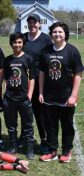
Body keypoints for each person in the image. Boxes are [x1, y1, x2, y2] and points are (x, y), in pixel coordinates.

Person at [39, 22, 83, 163]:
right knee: (50, 125)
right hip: (49, 96)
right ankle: (52, 151)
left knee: (67, 125)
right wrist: (40, 92)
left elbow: (78, 74)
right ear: (51, 34)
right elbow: (42, 73)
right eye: (55, 32)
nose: (57, 34)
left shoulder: (72, 51)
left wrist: (73, 95)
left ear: (65, 34)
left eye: (60, 32)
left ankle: (66, 151)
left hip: (66, 97)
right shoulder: (46, 51)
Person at [22, 13, 52, 153]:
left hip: (41, 81)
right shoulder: (23, 38)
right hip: (25, 81)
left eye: (35, 22)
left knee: (39, 112)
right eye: (30, 22)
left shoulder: (46, 39)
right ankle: (25, 136)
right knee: (24, 110)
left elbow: (50, 59)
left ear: (39, 23)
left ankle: (44, 140)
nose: (32, 25)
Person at [3, 32, 35, 159]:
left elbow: (32, 78)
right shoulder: (8, 60)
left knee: (27, 125)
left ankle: (29, 148)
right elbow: (6, 78)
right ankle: (13, 146)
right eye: (15, 42)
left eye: (20, 42)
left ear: (23, 44)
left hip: (24, 99)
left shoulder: (28, 58)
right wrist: (5, 94)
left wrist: (29, 95)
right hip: (9, 98)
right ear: (11, 44)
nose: (17, 44)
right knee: (11, 125)